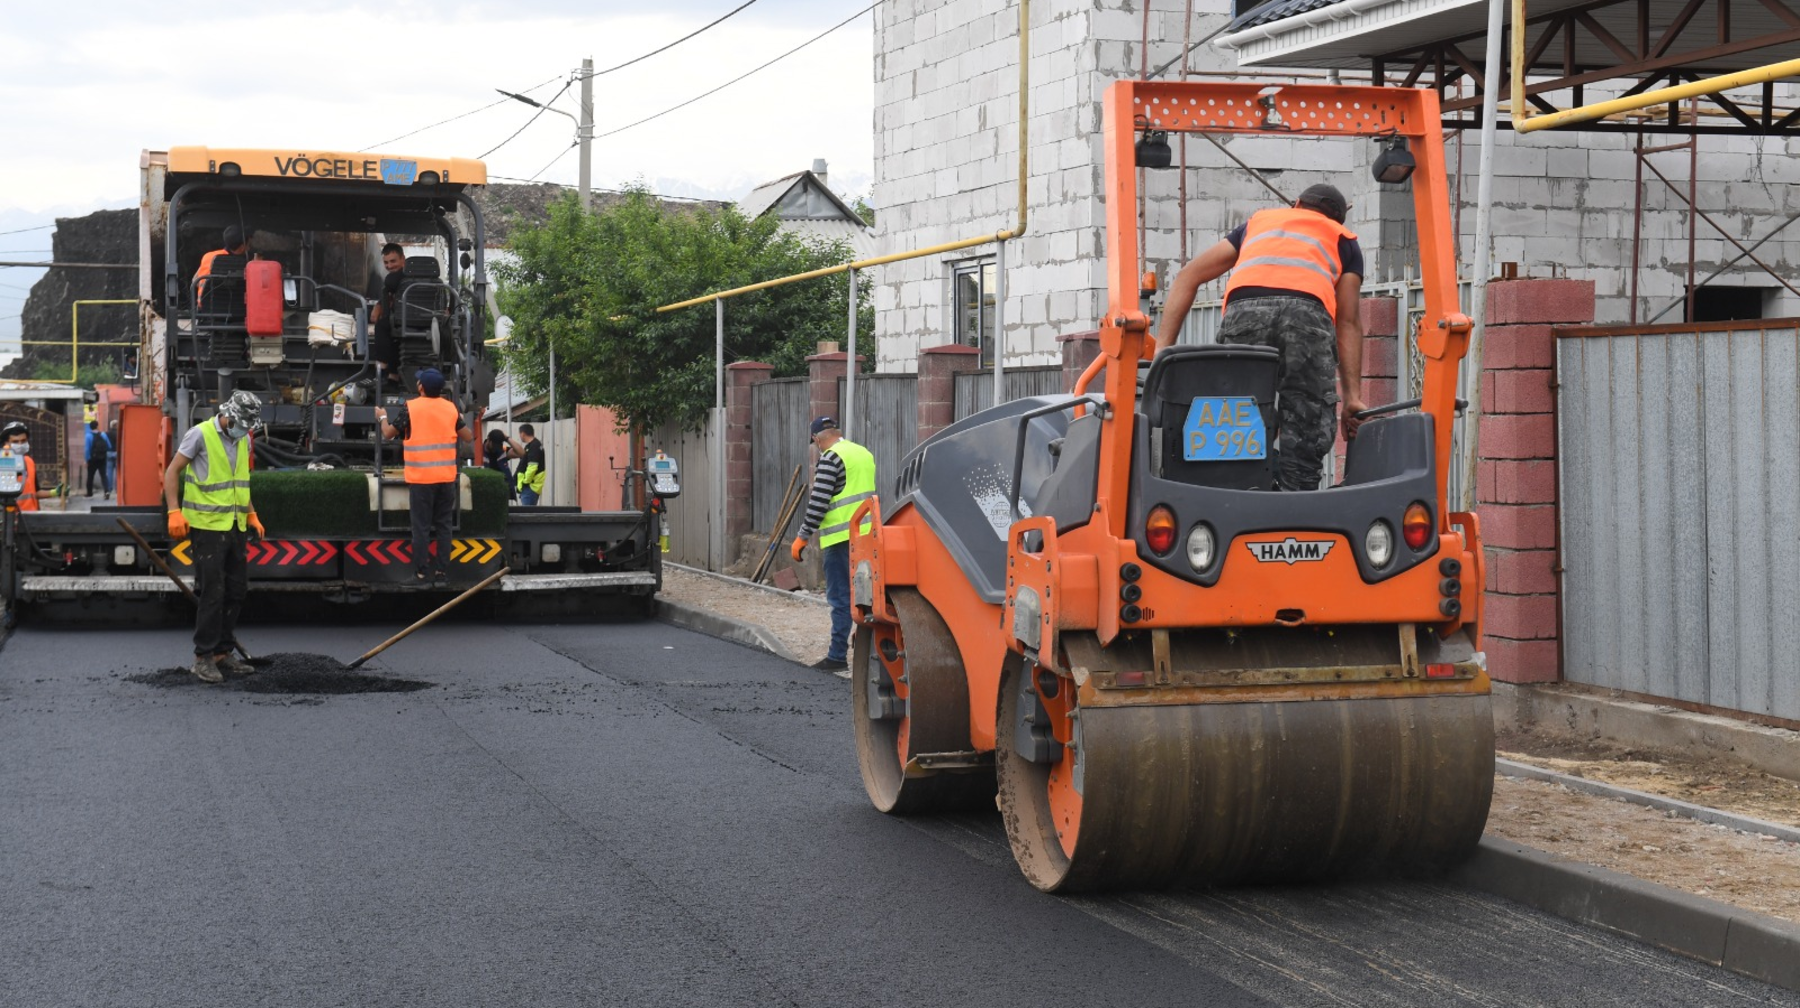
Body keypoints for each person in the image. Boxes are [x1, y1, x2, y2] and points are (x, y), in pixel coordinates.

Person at [1152, 183, 1367, 492]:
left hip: (1244, 313)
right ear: (1337, 219)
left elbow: (1188, 276)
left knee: (1236, 411)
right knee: (1305, 418)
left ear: (1296, 204)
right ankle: (1297, 502)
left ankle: (1236, 492)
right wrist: (1352, 398)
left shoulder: (1257, 224)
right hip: (1306, 318)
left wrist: (1162, 351)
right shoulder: (1343, 239)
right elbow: (1348, 321)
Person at [164, 391, 265, 684]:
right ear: (229, 416)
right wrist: (174, 511)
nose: (244, 430)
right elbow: (172, 472)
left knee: (236, 590)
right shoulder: (200, 434)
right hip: (207, 527)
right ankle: (203, 657)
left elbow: (239, 483)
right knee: (213, 592)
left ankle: (223, 652)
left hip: (235, 525)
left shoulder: (244, 439)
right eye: (242, 424)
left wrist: (251, 514)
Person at [789, 416, 876, 673]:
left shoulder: (830, 458)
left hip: (840, 540)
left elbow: (819, 502)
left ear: (816, 439)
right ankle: (871, 659)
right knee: (867, 597)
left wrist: (802, 537)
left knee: (840, 598)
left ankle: (837, 657)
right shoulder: (863, 453)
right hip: (867, 536)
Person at [376, 367, 472, 586]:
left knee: (421, 529)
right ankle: (441, 575)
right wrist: (459, 419)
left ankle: (420, 575)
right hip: (446, 480)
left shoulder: (411, 408)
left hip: (421, 480)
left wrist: (382, 417)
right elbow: (467, 437)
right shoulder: (450, 408)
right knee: (444, 527)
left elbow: (388, 433)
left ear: (421, 387)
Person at [368, 242, 407, 388]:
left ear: (403, 259)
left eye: (393, 261)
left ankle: (382, 371)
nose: (389, 266)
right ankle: (393, 377)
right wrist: (379, 304)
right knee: (393, 332)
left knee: (382, 326)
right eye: (386, 262)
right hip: (406, 321)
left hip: (409, 319)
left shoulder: (397, 278)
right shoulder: (405, 277)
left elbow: (390, 284)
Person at [194, 224, 250, 303]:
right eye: (248, 245)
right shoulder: (242, 263)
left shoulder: (208, 256)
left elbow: (195, 281)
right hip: (234, 308)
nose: (249, 248)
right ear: (242, 247)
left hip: (205, 307)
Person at [1, 421, 37, 512]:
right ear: (6, 443)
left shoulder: (29, 462)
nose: (20, 445)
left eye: (23, 441)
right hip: (8, 515)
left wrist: (54, 492)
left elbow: (34, 492)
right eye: (15, 442)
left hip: (31, 515)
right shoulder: (2, 463)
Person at [484, 429, 521, 501]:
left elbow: (521, 453)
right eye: (494, 445)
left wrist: (507, 438)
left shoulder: (501, 450)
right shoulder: (479, 451)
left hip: (501, 493)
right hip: (486, 494)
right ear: (488, 440)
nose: (495, 449)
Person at [515, 424, 546, 506]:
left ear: (522, 434)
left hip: (530, 487)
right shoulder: (532, 445)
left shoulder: (534, 446)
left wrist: (525, 482)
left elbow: (532, 467)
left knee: (527, 512)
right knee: (528, 511)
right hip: (529, 487)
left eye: (519, 434)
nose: (520, 436)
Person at [85, 419, 113, 498]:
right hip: (102, 458)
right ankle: (107, 491)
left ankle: (89, 493)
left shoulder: (88, 436)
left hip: (92, 460)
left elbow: (87, 449)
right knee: (104, 475)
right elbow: (109, 446)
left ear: (90, 427)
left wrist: (87, 460)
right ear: (97, 426)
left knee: (90, 476)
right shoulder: (103, 434)